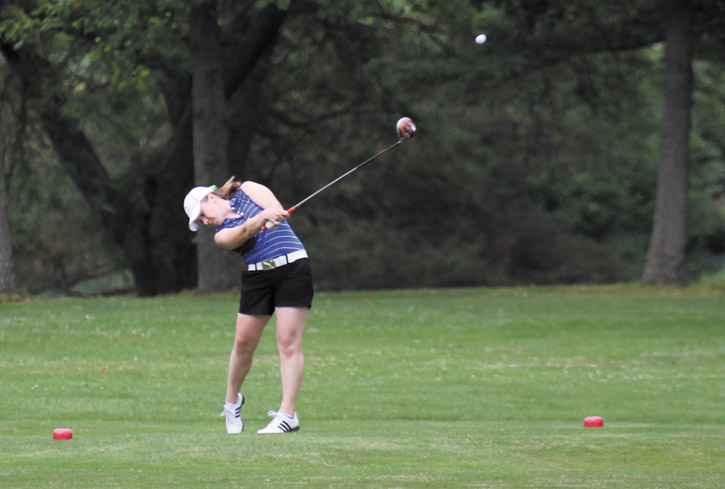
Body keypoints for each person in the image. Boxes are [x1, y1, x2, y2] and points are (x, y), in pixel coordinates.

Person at [183, 177, 313, 434]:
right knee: (243, 344)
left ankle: (288, 415)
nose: (204, 222)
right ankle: (232, 403)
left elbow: (274, 208)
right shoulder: (222, 236)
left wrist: (275, 214)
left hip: (294, 267)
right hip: (258, 277)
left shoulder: (248, 190)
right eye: (199, 221)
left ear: (210, 197)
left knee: (288, 342)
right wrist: (264, 217)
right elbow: (244, 232)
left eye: (202, 215)